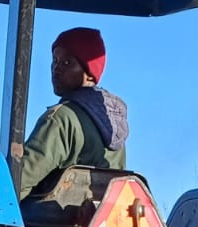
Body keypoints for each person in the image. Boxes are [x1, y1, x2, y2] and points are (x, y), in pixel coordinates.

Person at [18, 28, 129, 201]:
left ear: (90, 75)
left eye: (67, 63)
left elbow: (19, 181)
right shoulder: (113, 126)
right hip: (98, 224)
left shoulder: (61, 119)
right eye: (55, 61)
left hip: (49, 223)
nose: (56, 69)